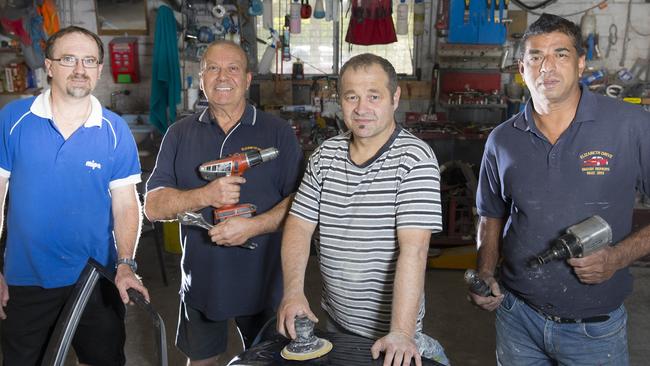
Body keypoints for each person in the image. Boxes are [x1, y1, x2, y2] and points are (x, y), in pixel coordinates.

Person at [470, 13, 650, 365]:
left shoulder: (630, 126)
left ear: (581, 63)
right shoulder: (502, 140)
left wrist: (617, 257)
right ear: (522, 68)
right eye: (535, 56)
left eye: (561, 54)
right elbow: (491, 215)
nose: (546, 66)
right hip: (517, 318)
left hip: (594, 329)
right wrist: (486, 273)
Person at [277, 53, 449, 366]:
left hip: (392, 335)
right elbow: (299, 226)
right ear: (339, 100)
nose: (361, 109)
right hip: (335, 324)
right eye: (351, 97)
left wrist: (401, 331)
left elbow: (415, 250)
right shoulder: (325, 155)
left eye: (374, 96)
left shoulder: (414, 160)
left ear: (395, 98)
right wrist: (292, 292)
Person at [144, 40, 303, 365]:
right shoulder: (179, 133)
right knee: (201, 361)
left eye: (232, 68)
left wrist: (254, 226)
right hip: (202, 281)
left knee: (273, 360)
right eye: (212, 68)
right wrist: (206, 195)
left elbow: (302, 204)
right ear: (201, 79)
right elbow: (153, 206)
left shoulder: (278, 132)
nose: (222, 76)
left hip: (268, 281)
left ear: (247, 79)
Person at [0, 26, 149, 366]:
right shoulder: (13, 120)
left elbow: (126, 204)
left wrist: (126, 265)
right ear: (49, 66)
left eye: (89, 61)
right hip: (27, 279)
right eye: (68, 59)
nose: (80, 69)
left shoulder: (115, 131)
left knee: (103, 360)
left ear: (99, 69)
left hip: (95, 279)